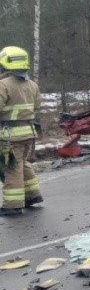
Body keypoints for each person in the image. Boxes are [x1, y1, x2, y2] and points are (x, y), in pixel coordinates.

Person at [0, 46, 43, 216]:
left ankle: (12, 204)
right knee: (23, 163)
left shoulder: (3, 85)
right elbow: (37, 105)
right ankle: (33, 195)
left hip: (9, 137)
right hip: (28, 134)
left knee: (11, 167)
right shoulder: (32, 84)